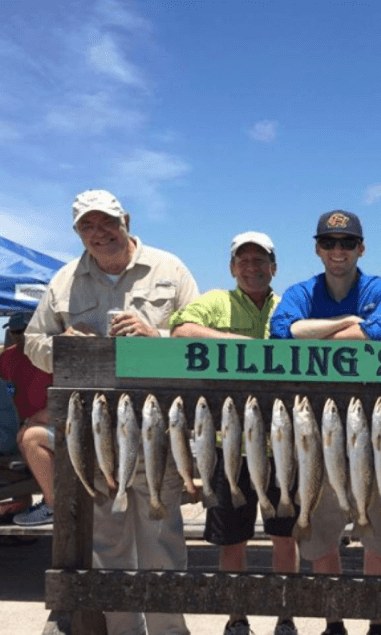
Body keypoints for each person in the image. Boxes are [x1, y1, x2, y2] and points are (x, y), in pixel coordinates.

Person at [25, 189, 198, 635]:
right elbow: (32, 343)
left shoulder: (170, 268)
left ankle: (167, 631)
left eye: (107, 223)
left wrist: (155, 334)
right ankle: (124, 631)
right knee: (108, 543)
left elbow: (196, 342)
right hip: (92, 434)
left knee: (163, 543)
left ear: (126, 219)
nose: (98, 233)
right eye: (87, 225)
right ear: (78, 232)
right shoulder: (64, 280)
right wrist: (64, 346)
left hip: (158, 429)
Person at [270, 210, 381, 635]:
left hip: (374, 435)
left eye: (346, 243)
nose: (338, 251)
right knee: (320, 536)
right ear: (317, 249)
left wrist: (316, 333)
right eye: (329, 243)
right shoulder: (301, 291)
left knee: (377, 537)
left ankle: (377, 623)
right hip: (316, 434)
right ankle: (334, 622)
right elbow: (281, 331)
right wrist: (347, 323)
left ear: (361, 248)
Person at [169, 231, 299, 635]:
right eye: (243, 261)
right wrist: (236, 341)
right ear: (232, 268)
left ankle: (286, 616)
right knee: (232, 539)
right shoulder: (214, 302)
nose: (252, 267)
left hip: (283, 443)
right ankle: (236, 618)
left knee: (284, 536)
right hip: (227, 447)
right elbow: (181, 331)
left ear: (274, 267)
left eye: (260, 260)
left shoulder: (290, 305)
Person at [0, 311, 52, 524]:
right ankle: (20, 507)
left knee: (28, 441)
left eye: (22, 331)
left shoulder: (46, 357)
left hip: (42, 422)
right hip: (14, 423)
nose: (17, 336)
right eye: (14, 331)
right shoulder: (5, 358)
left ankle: (44, 504)